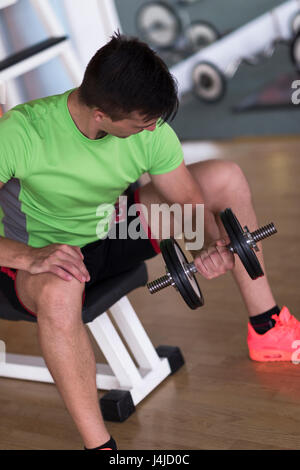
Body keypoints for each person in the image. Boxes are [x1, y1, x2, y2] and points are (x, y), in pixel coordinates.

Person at [0, 32, 299, 451]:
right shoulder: (22, 132)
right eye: (143, 123)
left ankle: (266, 329)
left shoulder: (147, 125)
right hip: (37, 256)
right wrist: (30, 256)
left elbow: (191, 203)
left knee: (223, 178)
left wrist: (208, 251)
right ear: (101, 114)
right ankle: (101, 448)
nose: (153, 129)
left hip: (112, 227)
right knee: (60, 288)